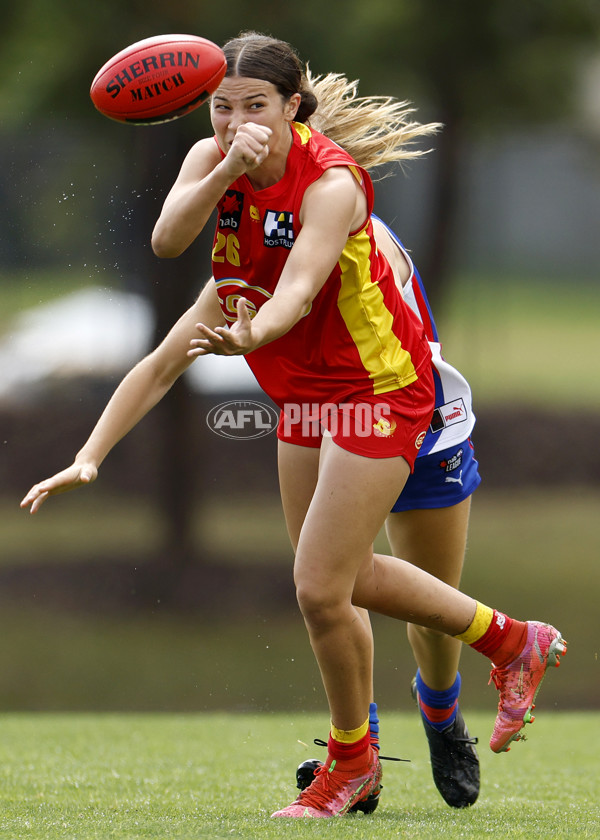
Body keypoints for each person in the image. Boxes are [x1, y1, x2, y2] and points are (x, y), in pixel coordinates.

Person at [21, 32, 567, 819]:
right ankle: (495, 656)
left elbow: (299, 291)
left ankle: (379, 745)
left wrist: (252, 334)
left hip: (379, 389)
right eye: (220, 107)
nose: (235, 121)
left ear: (294, 107)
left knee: (318, 583)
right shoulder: (216, 170)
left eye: (255, 106)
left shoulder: (333, 185)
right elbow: (168, 257)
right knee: (333, 588)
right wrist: (88, 456)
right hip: (303, 397)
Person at [295, 212, 481, 812]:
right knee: (331, 587)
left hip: (421, 429)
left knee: (434, 617)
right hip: (337, 426)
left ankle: (440, 707)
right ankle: (357, 754)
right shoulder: (259, 231)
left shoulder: (354, 227)